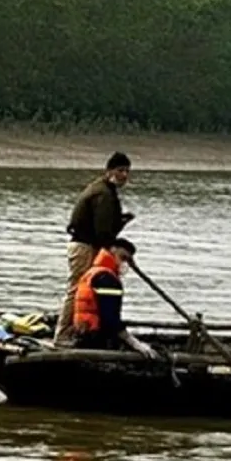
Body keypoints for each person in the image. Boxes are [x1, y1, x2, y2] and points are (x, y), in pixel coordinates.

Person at [54, 152, 135, 344]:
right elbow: (103, 232)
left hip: (85, 244)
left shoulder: (106, 190)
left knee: (86, 290)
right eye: (120, 170)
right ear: (109, 171)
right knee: (77, 289)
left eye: (127, 171)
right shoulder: (103, 194)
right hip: (84, 246)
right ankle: (63, 334)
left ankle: (80, 330)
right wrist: (113, 253)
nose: (124, 175)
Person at [69, 238, 156, 358]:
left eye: (127, 260)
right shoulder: (107, 279)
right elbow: (110, 318)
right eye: (123, 258)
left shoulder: (93, 271)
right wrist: (134, 343)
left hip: (83, 333)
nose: (124, 264)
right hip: (96, 338)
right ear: (112, 250)